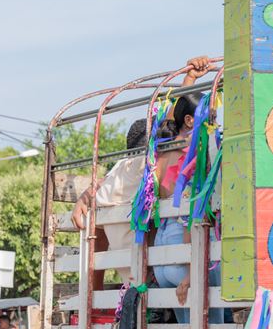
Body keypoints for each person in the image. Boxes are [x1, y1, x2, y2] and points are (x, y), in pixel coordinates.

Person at [72, 56, 213, 286]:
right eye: (208, 118)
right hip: (160, 261)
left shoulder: (123, 172)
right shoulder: (153, 161)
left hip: (150, 267)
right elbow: (172, 118)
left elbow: (171, 118)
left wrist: (84, 198)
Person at [153, 93, 228, 329]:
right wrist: (191, 269)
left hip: (163, 253)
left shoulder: (161, 150)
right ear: (190, 120)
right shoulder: (197, 150)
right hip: (188, 251)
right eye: (212, 118)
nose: (215, 124)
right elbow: (191, 212)